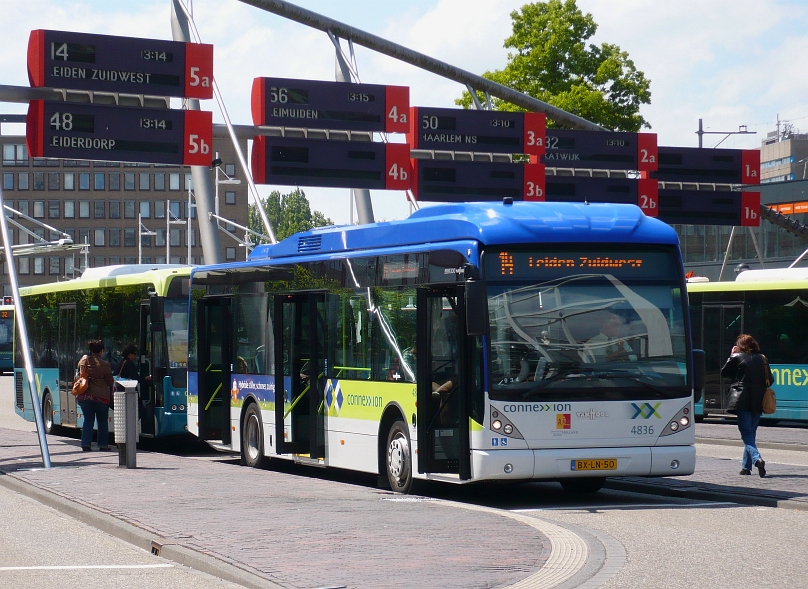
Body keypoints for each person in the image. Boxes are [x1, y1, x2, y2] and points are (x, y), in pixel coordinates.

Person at [721, 334, 773, 477]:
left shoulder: (738, 357)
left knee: (746, 434)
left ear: (740, 345)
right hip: (758, 401)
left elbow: (724, 373)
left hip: (741, 400)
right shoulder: (762, 359)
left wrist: (731, 356)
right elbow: (771, 379)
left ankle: (757, 459)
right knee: (751, 433)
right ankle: (746, 467)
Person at [76, 340, 115, 452]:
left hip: (84, 396)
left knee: (88, 419)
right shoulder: (105, 365)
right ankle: (102, 445)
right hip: (101, 397)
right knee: (102, 421)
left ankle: (86, 444)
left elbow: (79, 371)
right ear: (102, 351)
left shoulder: (83, 361)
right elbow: (110, 382)